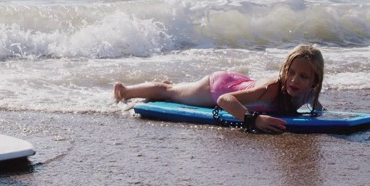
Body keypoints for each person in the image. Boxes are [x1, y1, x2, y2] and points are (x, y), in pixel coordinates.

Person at [113, 44, 324, 133]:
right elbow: (225, 100)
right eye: (291, 72)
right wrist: (254, 120)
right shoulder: (272, 89)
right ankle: (124, 91)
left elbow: (316, 106)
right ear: (285, 70)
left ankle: (166, 84)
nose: (294, 80)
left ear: (314, 81)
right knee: (169, 92)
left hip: (241, 83)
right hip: (219, 87)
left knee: (174, 89)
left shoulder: (310, 93)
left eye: (303, 76)